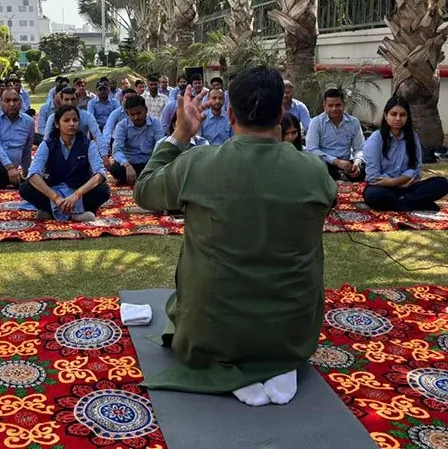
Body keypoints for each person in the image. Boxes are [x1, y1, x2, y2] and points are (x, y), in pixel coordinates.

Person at [133, 67, 337, 406]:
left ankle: (237, 363)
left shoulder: (198, 163)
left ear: (229, 113)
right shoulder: (314, 171)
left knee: (179, 303)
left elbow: (144, 191)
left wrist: (180, 135)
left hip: (211, 334)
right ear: (281, 114)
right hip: (290, 336)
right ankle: (272, 365)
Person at [20, 105, 111, 222]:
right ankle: (74, 215)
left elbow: (100, 173)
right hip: (54, 190)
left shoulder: (87, 144)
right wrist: (56, 198)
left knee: (103, 190)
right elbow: (33, 174)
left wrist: (76, 195)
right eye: (66, 120)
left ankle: (52, 213)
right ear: (57, 124)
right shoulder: (47, 145)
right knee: (25, 188)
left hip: (78, 190)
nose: (72, 124)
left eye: (75, 120)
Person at [363, 96, 448, 212]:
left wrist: (395, 181)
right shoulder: (376, 139)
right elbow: (373, 178)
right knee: (374, 196)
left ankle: (401, 203)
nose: (398, 118)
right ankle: (415, 204)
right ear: (385, 116)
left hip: (407, 187)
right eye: (393, 114)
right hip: (382, 188)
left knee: (443, 183)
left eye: (402, 115)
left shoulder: (412, 137)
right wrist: (396, 182)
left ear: (407, 117)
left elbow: (417, 170)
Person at [304, 88, 366, 181]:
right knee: (318, 168)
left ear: (343, 105)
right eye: (330, 105)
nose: (334, 109)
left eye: (338, 105)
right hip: (326, 163)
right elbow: (312, 149)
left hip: (348, 164)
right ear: (324, 106)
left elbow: (360, 148)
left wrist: (357, 163)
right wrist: (336, 161)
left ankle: (344, 177)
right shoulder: (316, 123)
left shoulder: (353, 122)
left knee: (366, 170)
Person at [43, 87, 108, 169]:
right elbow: (47, 139)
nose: (70, 102)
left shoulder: (87, 116)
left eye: (73, 99)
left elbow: (98, 136)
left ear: (78, 100)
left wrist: (104, 155)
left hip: (82, 153)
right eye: (66, 99)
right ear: (61, 101)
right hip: (59, 153)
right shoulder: (53, 118)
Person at [111, 95, 164, 185]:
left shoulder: (156, 123)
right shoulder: (121, 126)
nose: (136, 117)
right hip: (129, 163)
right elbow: (117, 150)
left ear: (146, 110)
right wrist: (127, 165)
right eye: (132, 114)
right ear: (127, 114)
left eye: (139, 113)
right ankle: (144, 179)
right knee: (115, 169)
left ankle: (136, 179)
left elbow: (160, 147)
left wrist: (152, 164)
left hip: (149, 162)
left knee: (163, 167)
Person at [100, 88, 138, 156]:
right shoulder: (116, 113)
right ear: (122, 98)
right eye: (127, 97)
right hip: (118, 142)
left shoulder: (139, 114)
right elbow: (108, 129)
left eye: (132, 98)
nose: (129, 100)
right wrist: (106, 144)